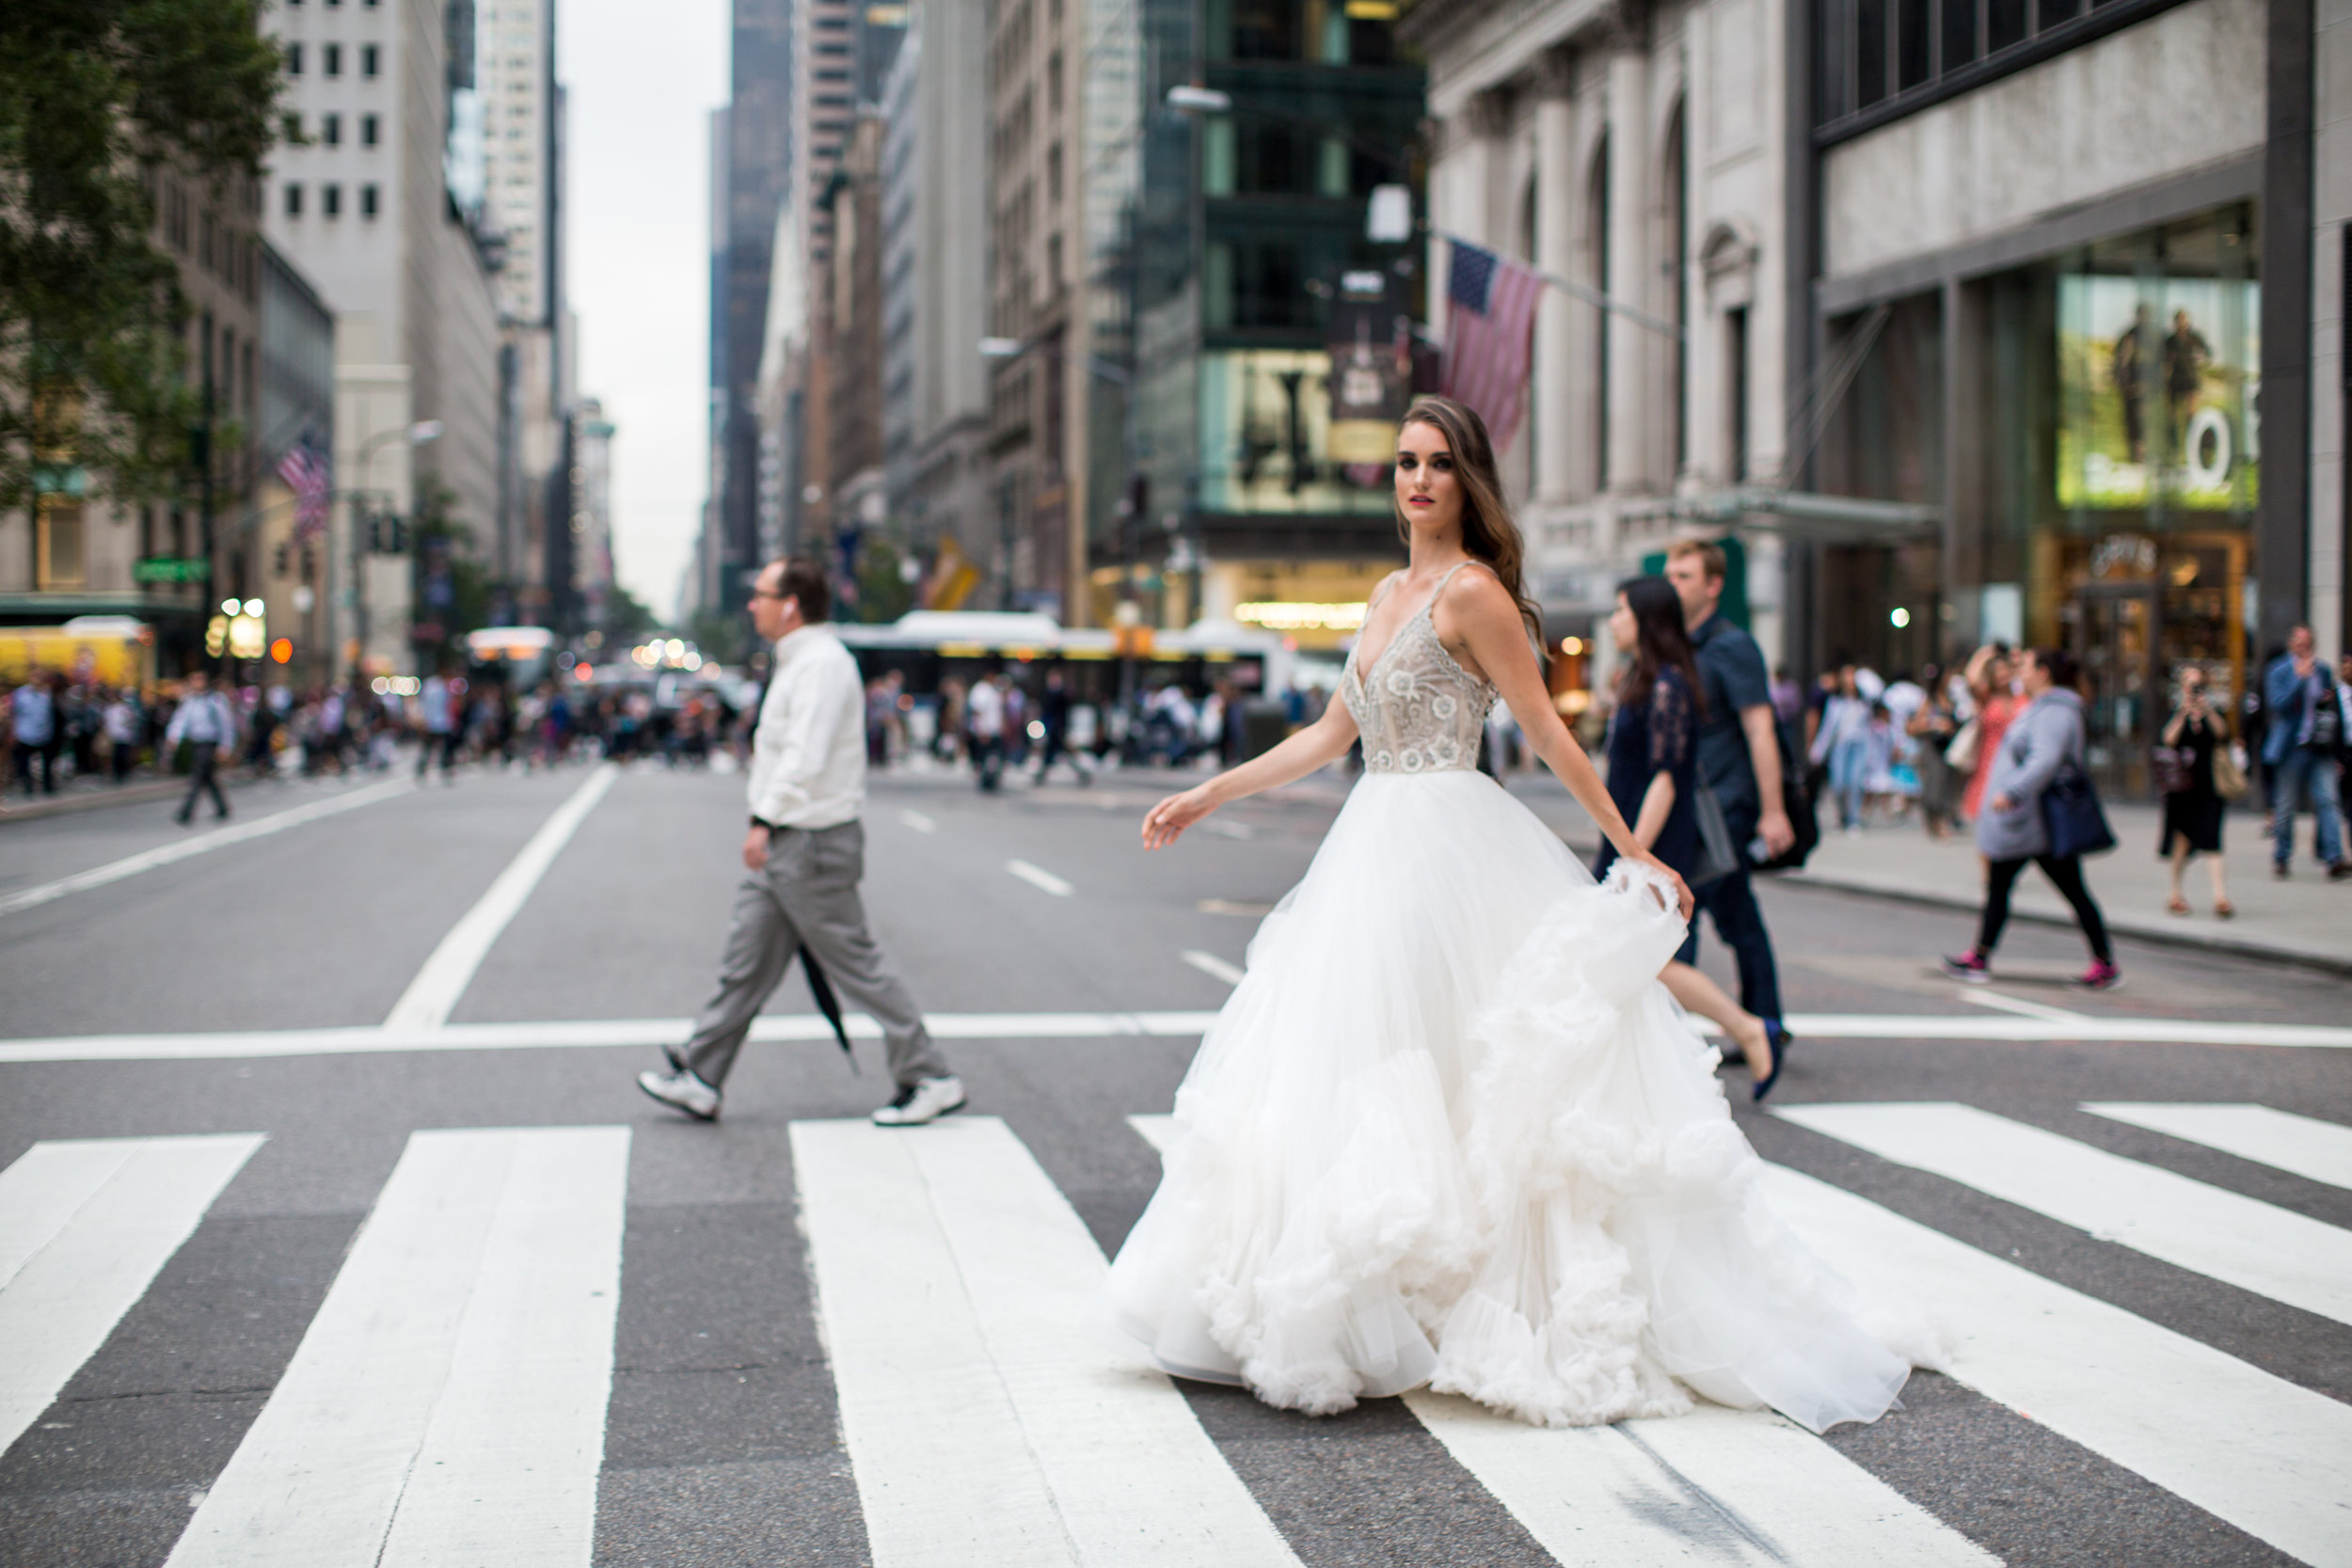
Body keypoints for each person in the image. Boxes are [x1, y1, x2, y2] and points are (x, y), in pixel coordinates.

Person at [1100, 396, 1919, 1435]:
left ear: (1467, 479)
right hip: (1371, 844)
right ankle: (1376, 1288)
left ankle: (1467, 1299)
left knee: (1473, 1068)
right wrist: (1208, 792)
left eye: (1439, 463)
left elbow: (1549, 733)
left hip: (1452, 838)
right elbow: (1324, 735)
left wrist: (1628, 848)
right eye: (1403, 462)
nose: (1417, 479)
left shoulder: (1473, 594)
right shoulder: (1385, 592)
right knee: (1365, 1059)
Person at [638, 556, 961, 1128]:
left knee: (857, 965)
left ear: (790, 605)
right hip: (791, 840)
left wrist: (763, 819)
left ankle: (929, 1075)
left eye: (760, 594)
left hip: (809, 842)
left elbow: (805, 757)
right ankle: (702, 1077)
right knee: (745, 964)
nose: (751, 604)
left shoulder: (821, 666)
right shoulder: (800, 661)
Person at [1597, 575, 1785, 1084]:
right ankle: (1654, 1067)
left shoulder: (1668, 685)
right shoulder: (1643, 679)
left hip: (1652, 838)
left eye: (1621, 612)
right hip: (1634, 834)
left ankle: (1746, 1027)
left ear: (1647, 620)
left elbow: (1666, 777)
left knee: (1648, 959)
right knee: (1635, 958)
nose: (1613, 622)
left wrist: (1634, 851)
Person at [1661, 539, 1794, 1069]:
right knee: (1737, 917)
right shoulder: (1682, 645)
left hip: (1727, 806)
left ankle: (1671, 1031)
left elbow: (1760, 728)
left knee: (1679, 917)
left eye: (1685, 576)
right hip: (1696, 806)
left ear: (1714, 586)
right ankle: (1767, 1021)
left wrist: (1773, 810)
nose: (1674, 584)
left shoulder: (1732, 646)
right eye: (1670, 574)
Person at [1942, 648, 2119, 990]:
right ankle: (1980, 957)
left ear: (2044, 673)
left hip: (2040, 823)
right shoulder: (2042, 707)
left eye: (2025, 666)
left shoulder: (2056, 711)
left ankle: (2105, 963)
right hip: (2029, 823)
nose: (2019, 671)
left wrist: (2013, 791)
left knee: (2069, 892)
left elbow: (2045, 760)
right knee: (2002, 887)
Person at [2260, 626, 2349, 879]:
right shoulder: (2278, 671)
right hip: (2290, 748)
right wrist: (2299, 681)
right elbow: (2278, 705)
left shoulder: (2322, 670)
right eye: (2299, 643)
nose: (2303, 648)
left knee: (2328, 800)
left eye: (2308, 643)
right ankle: (2281, 856)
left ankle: (2334, 857)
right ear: (2291, 644)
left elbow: (2331, 709)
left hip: (2319, 746)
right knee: (2286, 805)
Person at [2157, 666, 2233, 918]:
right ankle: (2175, 893)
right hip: (2181, 786)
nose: (2194, 690)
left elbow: (2223, 734)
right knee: (2181, 840)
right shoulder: (2176, 710)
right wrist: (2183, 713)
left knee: (2212, 838)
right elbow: (2168, 738)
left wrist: (2207, 709)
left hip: (2209, 784)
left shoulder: (2213, 710)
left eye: (2199, 685)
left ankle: (2220, 896)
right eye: (2190, 685)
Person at [167, 669, 239, 824]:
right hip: (196, 743)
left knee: (197, 777)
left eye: (200, 679)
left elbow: (226, 724)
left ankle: (186, 811)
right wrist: (174, 737)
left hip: (209, 744)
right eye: (194, 680)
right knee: (208, 777)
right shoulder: (190, 701)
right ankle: (222, 807)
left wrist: (225, 747)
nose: (197, 683)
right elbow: (180, 721)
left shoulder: (215, 700)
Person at [1959, 643, 2020, 825]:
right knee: (1988, 815)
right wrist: (1984, 654)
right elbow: (1970, 679)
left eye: (2005, 670)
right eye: (1997, 672)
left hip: (2016, 759)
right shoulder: (1987, 698)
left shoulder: (2023, 696)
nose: (2002, 675)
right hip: (1989, 760)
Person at [1808, 667, 1871, 830]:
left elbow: (1870, 728)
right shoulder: (1835, 702)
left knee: (1855, 782)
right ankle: (1842, 813)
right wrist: (1817, 750)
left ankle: (1853, 818)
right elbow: (1828, 729)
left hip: (1859, 745)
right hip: (1840, 746)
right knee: (1838, 783)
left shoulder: (1864, 701)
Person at [1906, 666, 1960, 838]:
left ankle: (1943, 820)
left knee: (1946, 786)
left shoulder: (1951, 699)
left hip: (1949, 748)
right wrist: (1934, 724)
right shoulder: (1928, 700)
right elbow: (1912, 727)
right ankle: (1935, 822)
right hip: (1932, 748)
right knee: (1933, 787)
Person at [11, 671, 58, 795]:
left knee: (47, 761)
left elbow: (53, 713)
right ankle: (27, 785)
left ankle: (47, 786)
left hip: (45, 732)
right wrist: (14, 731)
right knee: (24, 761)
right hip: (25, 732)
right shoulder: (20, 693)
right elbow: (14, 713)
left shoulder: (48, 693)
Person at [965, 668, 1008, 790]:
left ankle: (992, 781)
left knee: (995, 758)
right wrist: (982, 729)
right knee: (984, 759)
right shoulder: (981, 689)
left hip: (994, 731)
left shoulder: (995, 691)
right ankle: (984, 781)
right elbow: (977, 711)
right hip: (985, 731)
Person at [417, 668, 459, 782]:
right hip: (434, 720)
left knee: (444, 747)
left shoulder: (443, 685)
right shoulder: (434, 685)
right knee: (429, 747)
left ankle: (445, 768)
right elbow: (424, 703)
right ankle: (422, 768)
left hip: (442, 721)